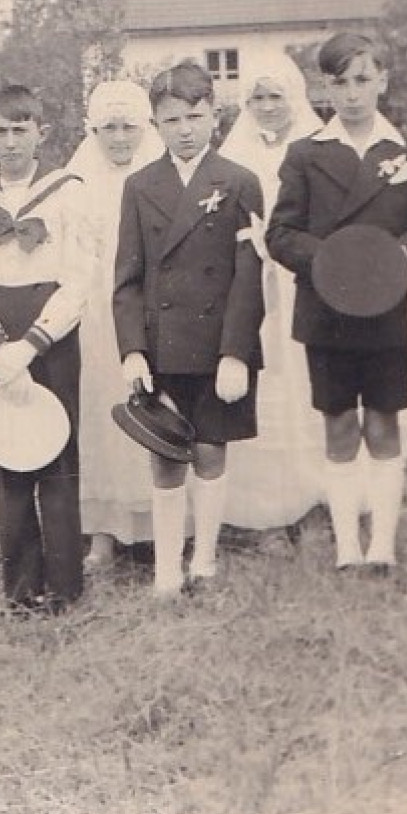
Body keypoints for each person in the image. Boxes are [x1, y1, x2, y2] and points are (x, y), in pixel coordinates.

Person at [265, 33, 407, 571]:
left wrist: (391, 258)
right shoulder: (306, 154)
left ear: (383, 79)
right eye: (340, 82)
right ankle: (346, 548)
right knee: (338, 425)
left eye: (364, 79)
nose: (353, 94)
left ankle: (381, 546)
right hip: (328, 314)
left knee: (385, 423)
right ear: (323, 88)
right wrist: (332, 263)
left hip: (389, 312)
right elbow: (281, 233)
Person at [115, 60, 266, 598]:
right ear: (156, 123)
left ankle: (204, 559)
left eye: (195, 116)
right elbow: (127, 278)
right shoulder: (139, 186)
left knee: (211, 451)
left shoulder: (241, 182)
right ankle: (165, 567)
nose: (184, 129)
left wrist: (236, 353)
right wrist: (132, 349)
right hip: (161, 348)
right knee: (165, 454)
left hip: (217, 345)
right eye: (172, 119)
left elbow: (250, 278)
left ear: (215, 117)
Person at [0, 85, 89, 613]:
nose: (10, 142)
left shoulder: (68, 192)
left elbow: (78, 280)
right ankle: (21, 587)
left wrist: (32, 344)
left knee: (56, 452)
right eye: (0, 131)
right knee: (6, 453)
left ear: (41, 134)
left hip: (49, 339)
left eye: (20, 130)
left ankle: (66, 586)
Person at [218, 50, 330, 533]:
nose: (266, 107)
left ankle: (318, 498)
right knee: (262, 388)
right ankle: (265, 509)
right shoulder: (234, 153)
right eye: (257, 98)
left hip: (303, 279)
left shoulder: (317, 145)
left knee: (308, 385)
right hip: (252, 281)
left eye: (275, 96)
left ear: (295, 97)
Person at [65, 81, 165, 570]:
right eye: (109, 128)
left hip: (154, 308)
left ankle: (164, 525)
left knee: (157, 407)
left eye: (129, 127)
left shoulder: (162, 176)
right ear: (93, 131)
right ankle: (104, 531)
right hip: (97, 318)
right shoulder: (77, 183)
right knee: (104, 415)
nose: (120, 138)